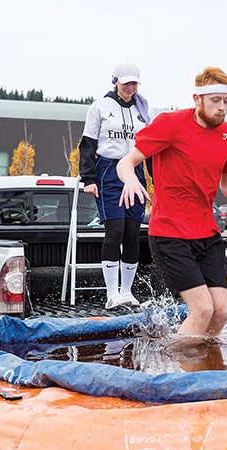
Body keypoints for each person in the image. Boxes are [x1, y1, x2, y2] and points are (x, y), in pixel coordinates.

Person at [116, 67, 227, 344]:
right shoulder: (171, 124)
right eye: (215, 101)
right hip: (170, 234)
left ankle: (205, 365)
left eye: (226, 101)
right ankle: (179, 371)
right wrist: (130, 180)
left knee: (223, 311)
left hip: (207, 233)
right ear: (197, 99)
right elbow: (126, 162)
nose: (222, 108)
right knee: (202, 309)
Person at [79, 60, 153, 309]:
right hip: (108, 171)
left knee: (132, 233)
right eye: (126, 83)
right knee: (115, 230)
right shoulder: (100, 107)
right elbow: (87, 144)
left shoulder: (143, 110)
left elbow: (150, 148)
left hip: (135, 171)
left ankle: (127, 292)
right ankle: (112, 294)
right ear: (116, 82)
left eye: (134, 83)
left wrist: (156, 180)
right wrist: (88, 178)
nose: (131, 87)